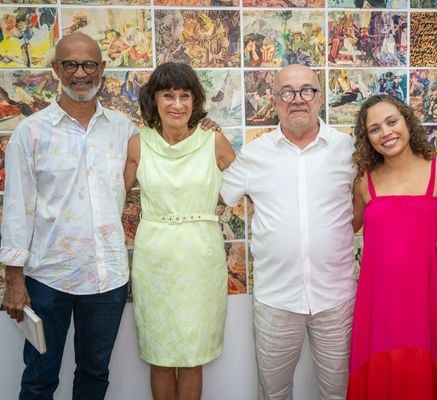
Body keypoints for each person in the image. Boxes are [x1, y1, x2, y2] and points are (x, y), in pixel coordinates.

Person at [0, 32, 137, 399]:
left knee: (95, 374)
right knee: (40, 377)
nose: (81, 73)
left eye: (89, 64)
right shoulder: (30, 133)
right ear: (56, 69)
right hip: (48, 279)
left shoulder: (124, 131)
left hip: (107, 279)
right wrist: (13, 279)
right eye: (71, 64)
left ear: (102, 69)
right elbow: (16, 206)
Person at [220, 64, 356, 400]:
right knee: (274, 393)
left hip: (336, 298)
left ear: (320, 97)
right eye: (287, 92)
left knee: (339, 392)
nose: (298, 99)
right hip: (276, 299)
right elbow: (221, 192)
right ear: (274, 100)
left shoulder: (349, 150)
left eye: (307, 90)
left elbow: (368, 202)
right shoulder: (254, 154)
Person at [123, 62, 235, 400]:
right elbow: (112, 198)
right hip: (155, 261)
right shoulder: (138, 144)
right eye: (168, 95)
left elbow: (249, 185)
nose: (177, 104)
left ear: (195, 101)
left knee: (192, 358)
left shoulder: (213, 140)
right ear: (154, 100)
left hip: (200, 260)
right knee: (159, 358)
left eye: (185, 96)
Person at [347, 94, 437, 399]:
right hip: (378, 302)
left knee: (424, 370)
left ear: (407, 122)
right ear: (367, 138)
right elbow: (342, 229)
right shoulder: (364, 181)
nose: (386, 132)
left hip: (428, 295)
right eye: (375, 129)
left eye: (392, 121)